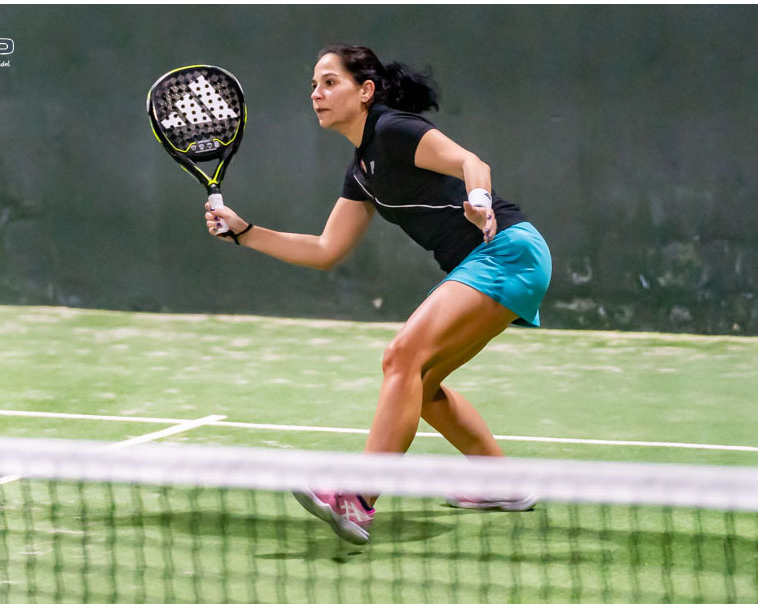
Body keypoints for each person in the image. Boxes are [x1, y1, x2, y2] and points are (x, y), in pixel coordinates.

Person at [204, 45, 552, 544]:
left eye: (330, 82)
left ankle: (358, 496)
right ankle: (504, 484)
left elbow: (470, 162)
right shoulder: (361, 171)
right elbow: (326, 249)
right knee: (421, 384)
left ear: (365, 90)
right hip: (492, 262)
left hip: (506, 250)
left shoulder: (392, 130)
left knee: (401, 357)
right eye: (313, 85)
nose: (317, 94)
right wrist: (245, 233)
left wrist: (479, 201)